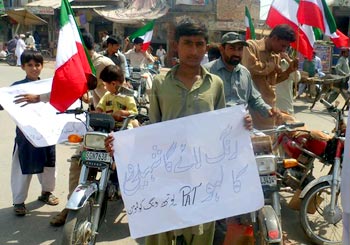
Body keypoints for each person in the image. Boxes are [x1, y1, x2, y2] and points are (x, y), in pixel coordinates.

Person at [128, 18, 251, 245]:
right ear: (176, 45)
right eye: (187, 43)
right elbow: (152, 129)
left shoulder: (215, 84)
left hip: (202, 176)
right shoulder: (160, 83)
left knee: (201, 232)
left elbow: (221, 129)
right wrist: (121, 148)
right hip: (166, 174)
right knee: (161, 234)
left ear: (206, 46)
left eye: (199, 44)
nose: (194, 51)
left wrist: (241, 124)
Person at [49, 31, 114, 226]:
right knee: (79, 159)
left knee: (123, 160)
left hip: (115, 122)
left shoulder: (104, 64)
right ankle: (71, 205)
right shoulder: (79, 66)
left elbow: (122, 85)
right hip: (95, 122)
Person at [5, 50, 58, 216]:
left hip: (46, 134)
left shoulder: (49, 87)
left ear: (42, 66)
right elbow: (5, 102)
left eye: (37, 65)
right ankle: (19, 201)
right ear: (23, 67)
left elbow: (60, 100)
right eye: (30, 65)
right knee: (22, 167)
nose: (34, 68)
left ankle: (46, 193)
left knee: (49, 165)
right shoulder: (17, 88)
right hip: (25, 135)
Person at [204, 32, 274, 119]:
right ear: (222, 49)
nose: (237, 53)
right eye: (232, 48)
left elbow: (254, 99)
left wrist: (269, 110)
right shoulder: (207, 71)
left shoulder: (245, 73)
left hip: (241, 126)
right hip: (216, 125)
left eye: (240, 49)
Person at [242, 24, 298, 130]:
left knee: (269, 140)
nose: (283, 50)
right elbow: (251, 67)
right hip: (253, 107)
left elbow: (273, 81)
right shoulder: (251, 46)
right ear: (274, 38)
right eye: (282, 46)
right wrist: (272, 65)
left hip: (270, 107)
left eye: (286, 47)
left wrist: (289, 70)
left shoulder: (275, 55)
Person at [96, 64, 138, 129]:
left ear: (113, 84)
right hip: (108, 126)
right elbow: (100, 106)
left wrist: (123, 113)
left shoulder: (127, 96)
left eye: (105, 85)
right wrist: (98, 111)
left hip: (124, 127)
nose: (104, 88)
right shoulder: (107, 95)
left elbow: (135, 112)